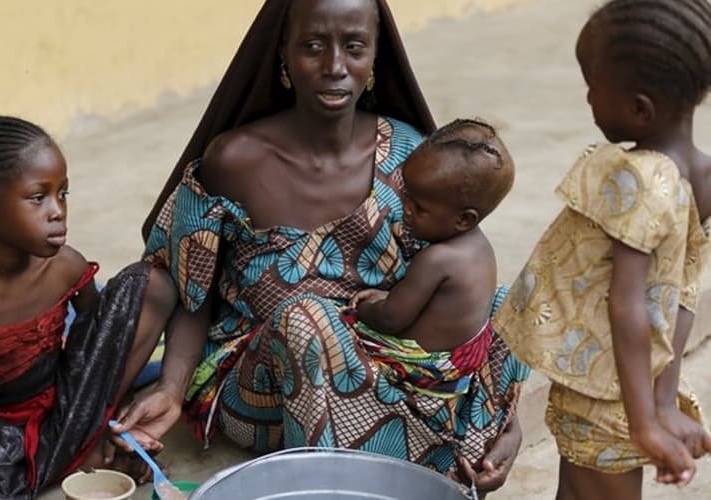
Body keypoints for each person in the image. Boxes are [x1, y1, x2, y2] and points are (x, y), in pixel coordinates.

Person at [114, 0, 530, 494]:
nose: (335, 67)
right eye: (313, 46)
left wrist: (509, 421)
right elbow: (186, 287)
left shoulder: (408, 154)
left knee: (510, 304)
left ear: (376, 58)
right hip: (263, 385)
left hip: (389, 369)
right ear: (284, 57)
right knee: (305, 319)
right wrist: (171, 387)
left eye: (354, 47)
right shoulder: (235, 160)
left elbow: (455, 295)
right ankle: (376, 475)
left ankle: (468, 448)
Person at [494, 0, 711, 498]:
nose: (588, 99)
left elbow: (627, 304)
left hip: (604, 396)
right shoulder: (701, 175)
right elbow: (681, 293)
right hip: (637, 390)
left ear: (640, 108)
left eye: (593, 86)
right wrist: (662, 402)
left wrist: (644, 425)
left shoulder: (639, 181)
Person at [0, 116, 177, 498]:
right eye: (37, 197)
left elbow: (97, 351)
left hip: (69, 402)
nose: (57, 210)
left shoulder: (65, 267)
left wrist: (95, 406)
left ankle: (96, 437)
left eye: (62, 193)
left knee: (152, 286)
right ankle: (88, 452)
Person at [347, 118, 515, 411]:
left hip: (426, 374)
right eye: (407, 196)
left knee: (334, 326)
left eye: (419, 208)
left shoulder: (437, 258)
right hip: (461, 368)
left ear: (464, 219)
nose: (406, 210)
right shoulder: (480, 249)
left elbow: (391, 319)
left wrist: (365, 308)